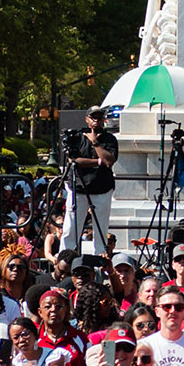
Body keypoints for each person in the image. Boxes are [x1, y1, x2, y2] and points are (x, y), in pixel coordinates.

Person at [58, 108, 119, 260]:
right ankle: (66, 259)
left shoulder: (109, 139)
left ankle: (100, 259)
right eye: (93, 117)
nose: (96, 120)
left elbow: (109, 161)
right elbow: (74, 161)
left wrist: (95, 143)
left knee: (101, 228)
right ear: (86, 119)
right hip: (78, 187)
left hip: (102, 189)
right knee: (70, 228)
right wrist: (98, 161)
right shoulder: (78, 137)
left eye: (99, 117)